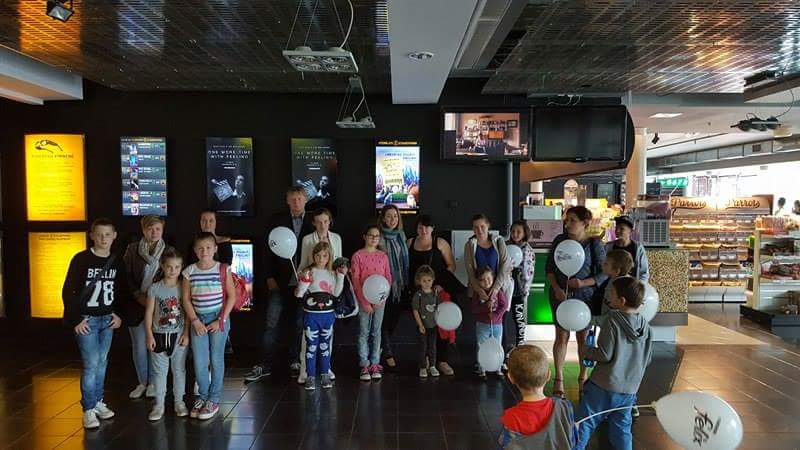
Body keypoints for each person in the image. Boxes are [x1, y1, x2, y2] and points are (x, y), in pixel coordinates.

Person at [61, 218, 127, 429]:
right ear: (91, 236)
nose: (103, 238)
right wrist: (76, 319)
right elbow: (68, 290)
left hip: (107, 319)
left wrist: (119, 315)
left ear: (114, 236)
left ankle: (98, 401)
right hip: (87, 320)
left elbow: (122, 291)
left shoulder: (116, 261)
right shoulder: (81, 259)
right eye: (99, 234)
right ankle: (88, 408)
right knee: (91, 364)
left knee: (102, 361)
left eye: (107, 234)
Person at [244, 187, 314, 383]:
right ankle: (265, 364)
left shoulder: (313, 221)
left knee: (299, 324)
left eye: (299, 199)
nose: (296, 202)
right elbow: (267, 250)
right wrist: (268, 276)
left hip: (304, 283)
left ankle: (295, 361)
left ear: (305, 200)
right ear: (287, 201)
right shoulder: (276, 220)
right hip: (279, 281)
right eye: (293, 199)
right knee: (271, 323)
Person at [576, 277, 653, 450]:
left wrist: (586, 349)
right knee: (622, 429)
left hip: (603, 385)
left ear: (621, 300)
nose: (608, 295)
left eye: (611, 293)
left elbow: (604, 354)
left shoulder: (612, 321)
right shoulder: (646, 327)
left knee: (584, 423)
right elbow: (647, 359)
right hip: (629, 389)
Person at [546, 206, 606, 398]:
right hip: (560, 295)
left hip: (585, 297)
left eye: (572, 220)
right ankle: (559, 379)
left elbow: (603, 273)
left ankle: (583, 376)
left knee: (583, 337)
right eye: (567, 220)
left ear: (584, 223)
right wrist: (557, 289)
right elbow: (549, 269)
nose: (568, 224)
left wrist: (582, 283)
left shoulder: (594, 244)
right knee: (561, 335)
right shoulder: (559, 241)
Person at [181, 232, 236, 420]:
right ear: (195, 251)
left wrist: (220, 320)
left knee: (216, 358)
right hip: (198, 320)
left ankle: (213, 398)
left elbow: (232, 296)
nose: (204, 251)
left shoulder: (223, 268)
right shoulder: (189, 271)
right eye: (200, 248)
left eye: (208, 247)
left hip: (219, 318)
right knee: (200, 361)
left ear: (215, 249)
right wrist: (195, 320)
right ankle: (202, 396)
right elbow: (186, 299)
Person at [123, 215, 173, 400]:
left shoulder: (169, 251)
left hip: (158, 304)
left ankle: (153, 383)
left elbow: (172, 277)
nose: (154, 232)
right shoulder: (132, 249)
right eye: (150, 229)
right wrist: (138, 295)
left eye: (158, 229)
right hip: (136, 303)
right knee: (139, 346)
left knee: (155, 344)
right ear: (143, 230)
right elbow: (126, 276)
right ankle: (142, 382)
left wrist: (154, 298)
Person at [407, 214, 463, 376]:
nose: (423, 230)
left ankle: (442, 360)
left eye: (427, 227)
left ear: (432, 228)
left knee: (441, 326)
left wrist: (440, 285)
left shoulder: (440, 243)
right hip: (419, 294)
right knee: (424, 327)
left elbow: (451, 265)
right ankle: (425, 360)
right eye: (420, 227)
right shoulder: (410, 243)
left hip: (439, 291)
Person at [296, 207, 343, 384]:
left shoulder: (336, 238)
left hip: (329, 291)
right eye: (319, 222)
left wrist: (339, 277)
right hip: (312, 291)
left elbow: (338, 262)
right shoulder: (308, 239)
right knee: (308, 338)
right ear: (314, 223)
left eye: (325, 221)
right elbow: (302, 264)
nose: (323, 225)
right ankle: (305, 370)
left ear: (330, 221)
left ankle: (326, 368)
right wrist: (304, 279)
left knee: (327, 336)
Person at [497, 345, 576, 450]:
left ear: (511, 378)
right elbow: (572, 440)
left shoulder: (512, 417)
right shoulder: (564, 407)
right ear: (548, 375)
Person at [144, 249, 190, 421]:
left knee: (179, 370)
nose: (173, 270)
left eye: (177, 267)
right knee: (159, 373)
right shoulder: (155, 288)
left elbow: (188, 312)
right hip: (158, 335)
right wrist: (149, 335)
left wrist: (186, 333)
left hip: (178, 335)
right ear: (163, 266)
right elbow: (149, 313)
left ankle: (179, 402)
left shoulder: (184, 287)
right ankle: (159, 404)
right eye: (169, 267)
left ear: (181, 267)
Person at [351, 224, 393, 381]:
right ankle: (364, 364)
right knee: (364, 331)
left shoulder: (383, 256)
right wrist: (364, 302)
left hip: (380, 301)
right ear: (364, 237)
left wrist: (381, 299)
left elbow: (388, 278)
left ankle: (375, 363)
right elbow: (356, 280)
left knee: (376, 331)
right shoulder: (358, 256)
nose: (374, 238)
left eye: (377, 236)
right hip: (363, 300)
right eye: (371, 235)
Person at [378, 205, 409, 369]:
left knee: (394, 318)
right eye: (389, 216)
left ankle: (381, 345)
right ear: (383, 218)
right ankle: (387, 352)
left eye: (395, 216)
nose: (392, 219)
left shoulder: (401, 235)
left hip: (399, 285)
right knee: (383, 319)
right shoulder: (378, 236)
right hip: (383, 285)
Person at [472, 266, 507, 379]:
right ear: (478, 281)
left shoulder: (497, 292)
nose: (486, 282)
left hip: (497, 325)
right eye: (482, 280)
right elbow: (474, 309)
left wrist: (496, 315)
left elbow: (504, 305)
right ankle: (482, 369)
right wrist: (485, 307)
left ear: (493, 278)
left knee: (497, 346)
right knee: (481, 346)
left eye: (488, 278)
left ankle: (498, 368)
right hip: (482, 325)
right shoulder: (478, 293)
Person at [505, 220, 536, 351]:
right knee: (504, 316)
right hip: (506, 286)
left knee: (518, 317)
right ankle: (506, 345)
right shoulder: (507, 246)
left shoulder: (526, 249)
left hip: (519, 289)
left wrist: (525, 291)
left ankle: (520, 345)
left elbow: (528, 273)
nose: (515, 234)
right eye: (513, 231)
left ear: (524, 233)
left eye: (519, 232)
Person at [411, 265, 445, 379]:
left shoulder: (435, 293)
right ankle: (422, 366)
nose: (427, 283)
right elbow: (415, 310)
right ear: (419, 281)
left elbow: (439, 308)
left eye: (429, 280)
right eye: (424, 281)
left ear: (433, 280)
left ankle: (432, 365)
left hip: (433, 326)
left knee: (432, 347)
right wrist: (420, 325)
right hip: (423, 326)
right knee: (423, 347)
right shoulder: (418, 295)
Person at [604, 216, 649, 283]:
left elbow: (644, 273)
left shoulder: (638, 248)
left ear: (631, 232)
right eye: (616, 228)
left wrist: (638, 286)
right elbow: (603, 269)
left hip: (632, 286)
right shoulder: (608, 247)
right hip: (612, 285)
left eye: (622, 229)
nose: (617, 231)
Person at [592, 250, 634, 318]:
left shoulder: (621, 287)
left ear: (616, 271)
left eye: (606, 264)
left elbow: (615, 312)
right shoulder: (613, 278)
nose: (602, 264)